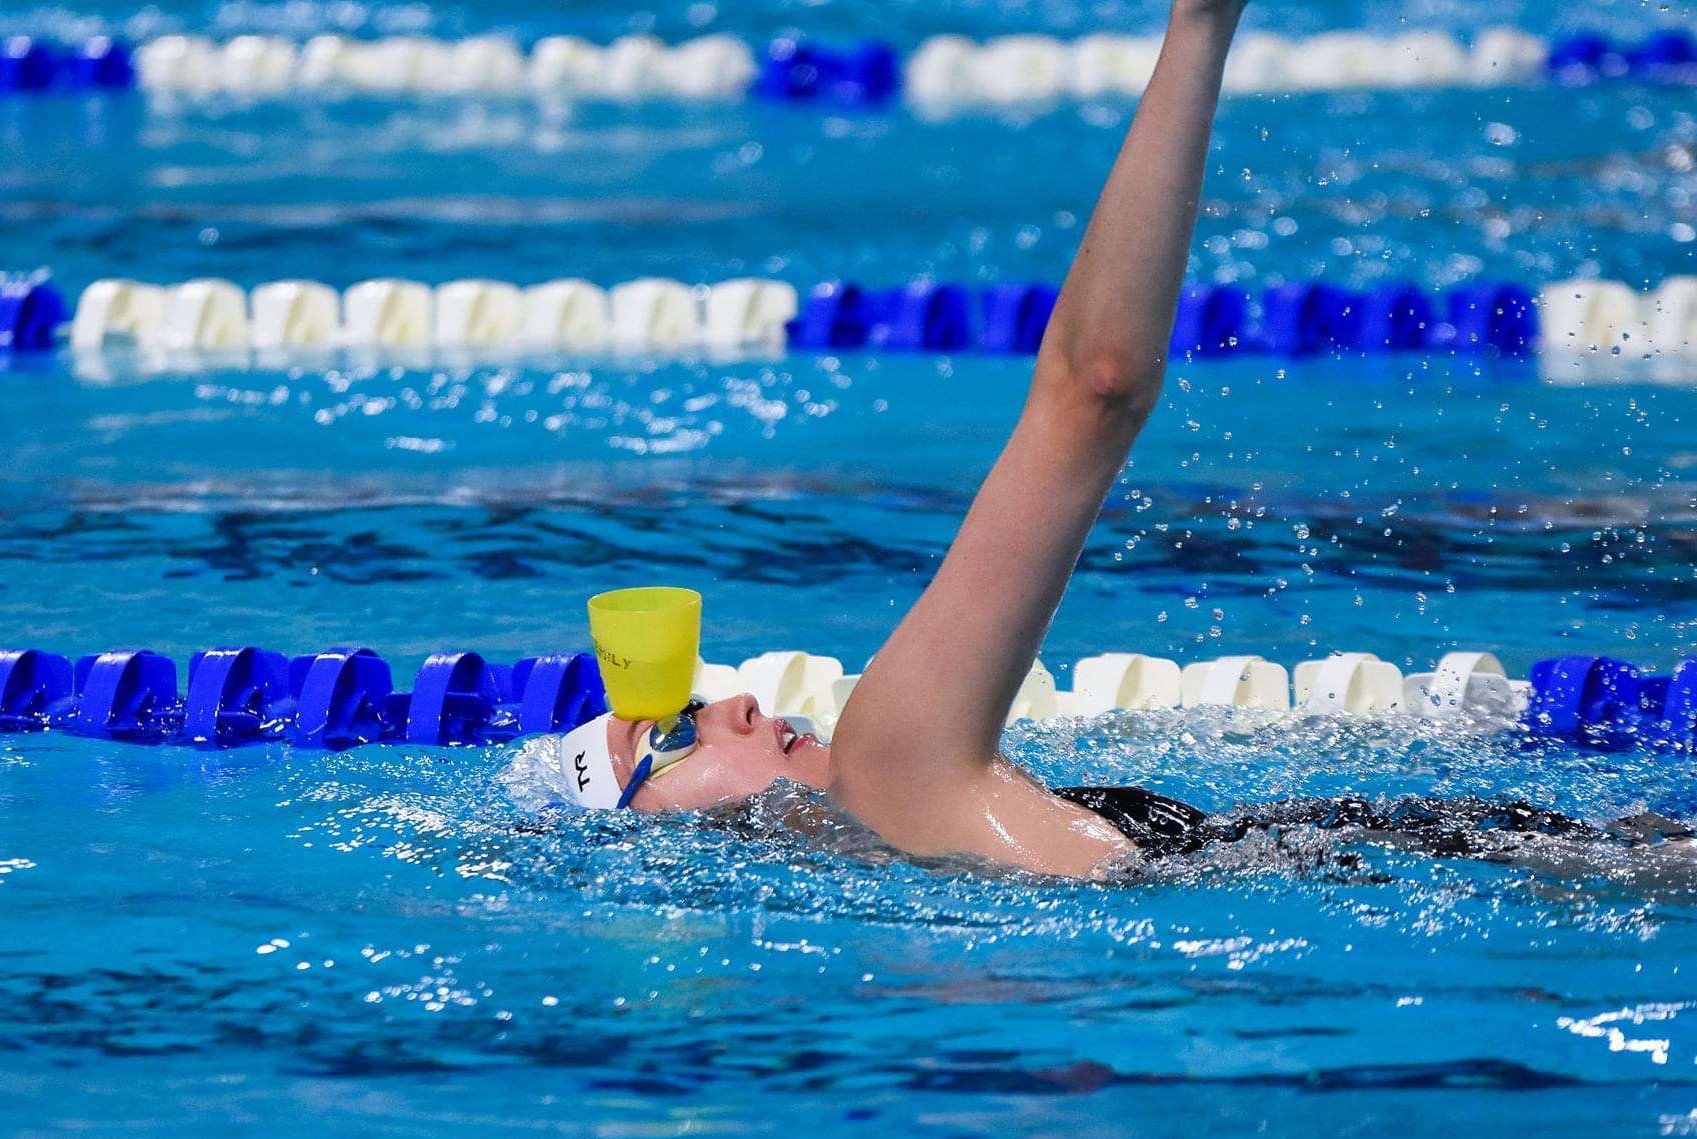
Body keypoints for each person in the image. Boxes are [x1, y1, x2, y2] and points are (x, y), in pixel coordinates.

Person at [554, 0, 1687, 877]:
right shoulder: (886, 771)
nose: (737, 700)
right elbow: (1092, 388)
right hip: (1448, 872)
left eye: (693, 697)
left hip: (1448, 871)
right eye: (670, 737)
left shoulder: (892, 828)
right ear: (653, 835)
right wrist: (1199, 23)